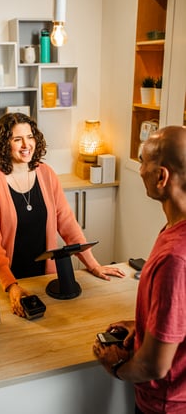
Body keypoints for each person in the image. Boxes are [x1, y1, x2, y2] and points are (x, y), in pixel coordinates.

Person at [0, 113, 125, 317]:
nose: (26, 144)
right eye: (17, 139)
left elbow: (67, 223)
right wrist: (11, 286)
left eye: (30, 136)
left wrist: (93, 264)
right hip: (7, 282)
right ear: (3, 143)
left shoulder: (46, 173)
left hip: (45, 278)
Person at [93, 125, 186, 414]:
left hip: (165, 405)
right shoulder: (174, 230)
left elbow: (154, 365)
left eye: (143, 160)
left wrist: (116, 368)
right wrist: (143, 325)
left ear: (161, 177)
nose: (140, 168)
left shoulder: (175, 257)